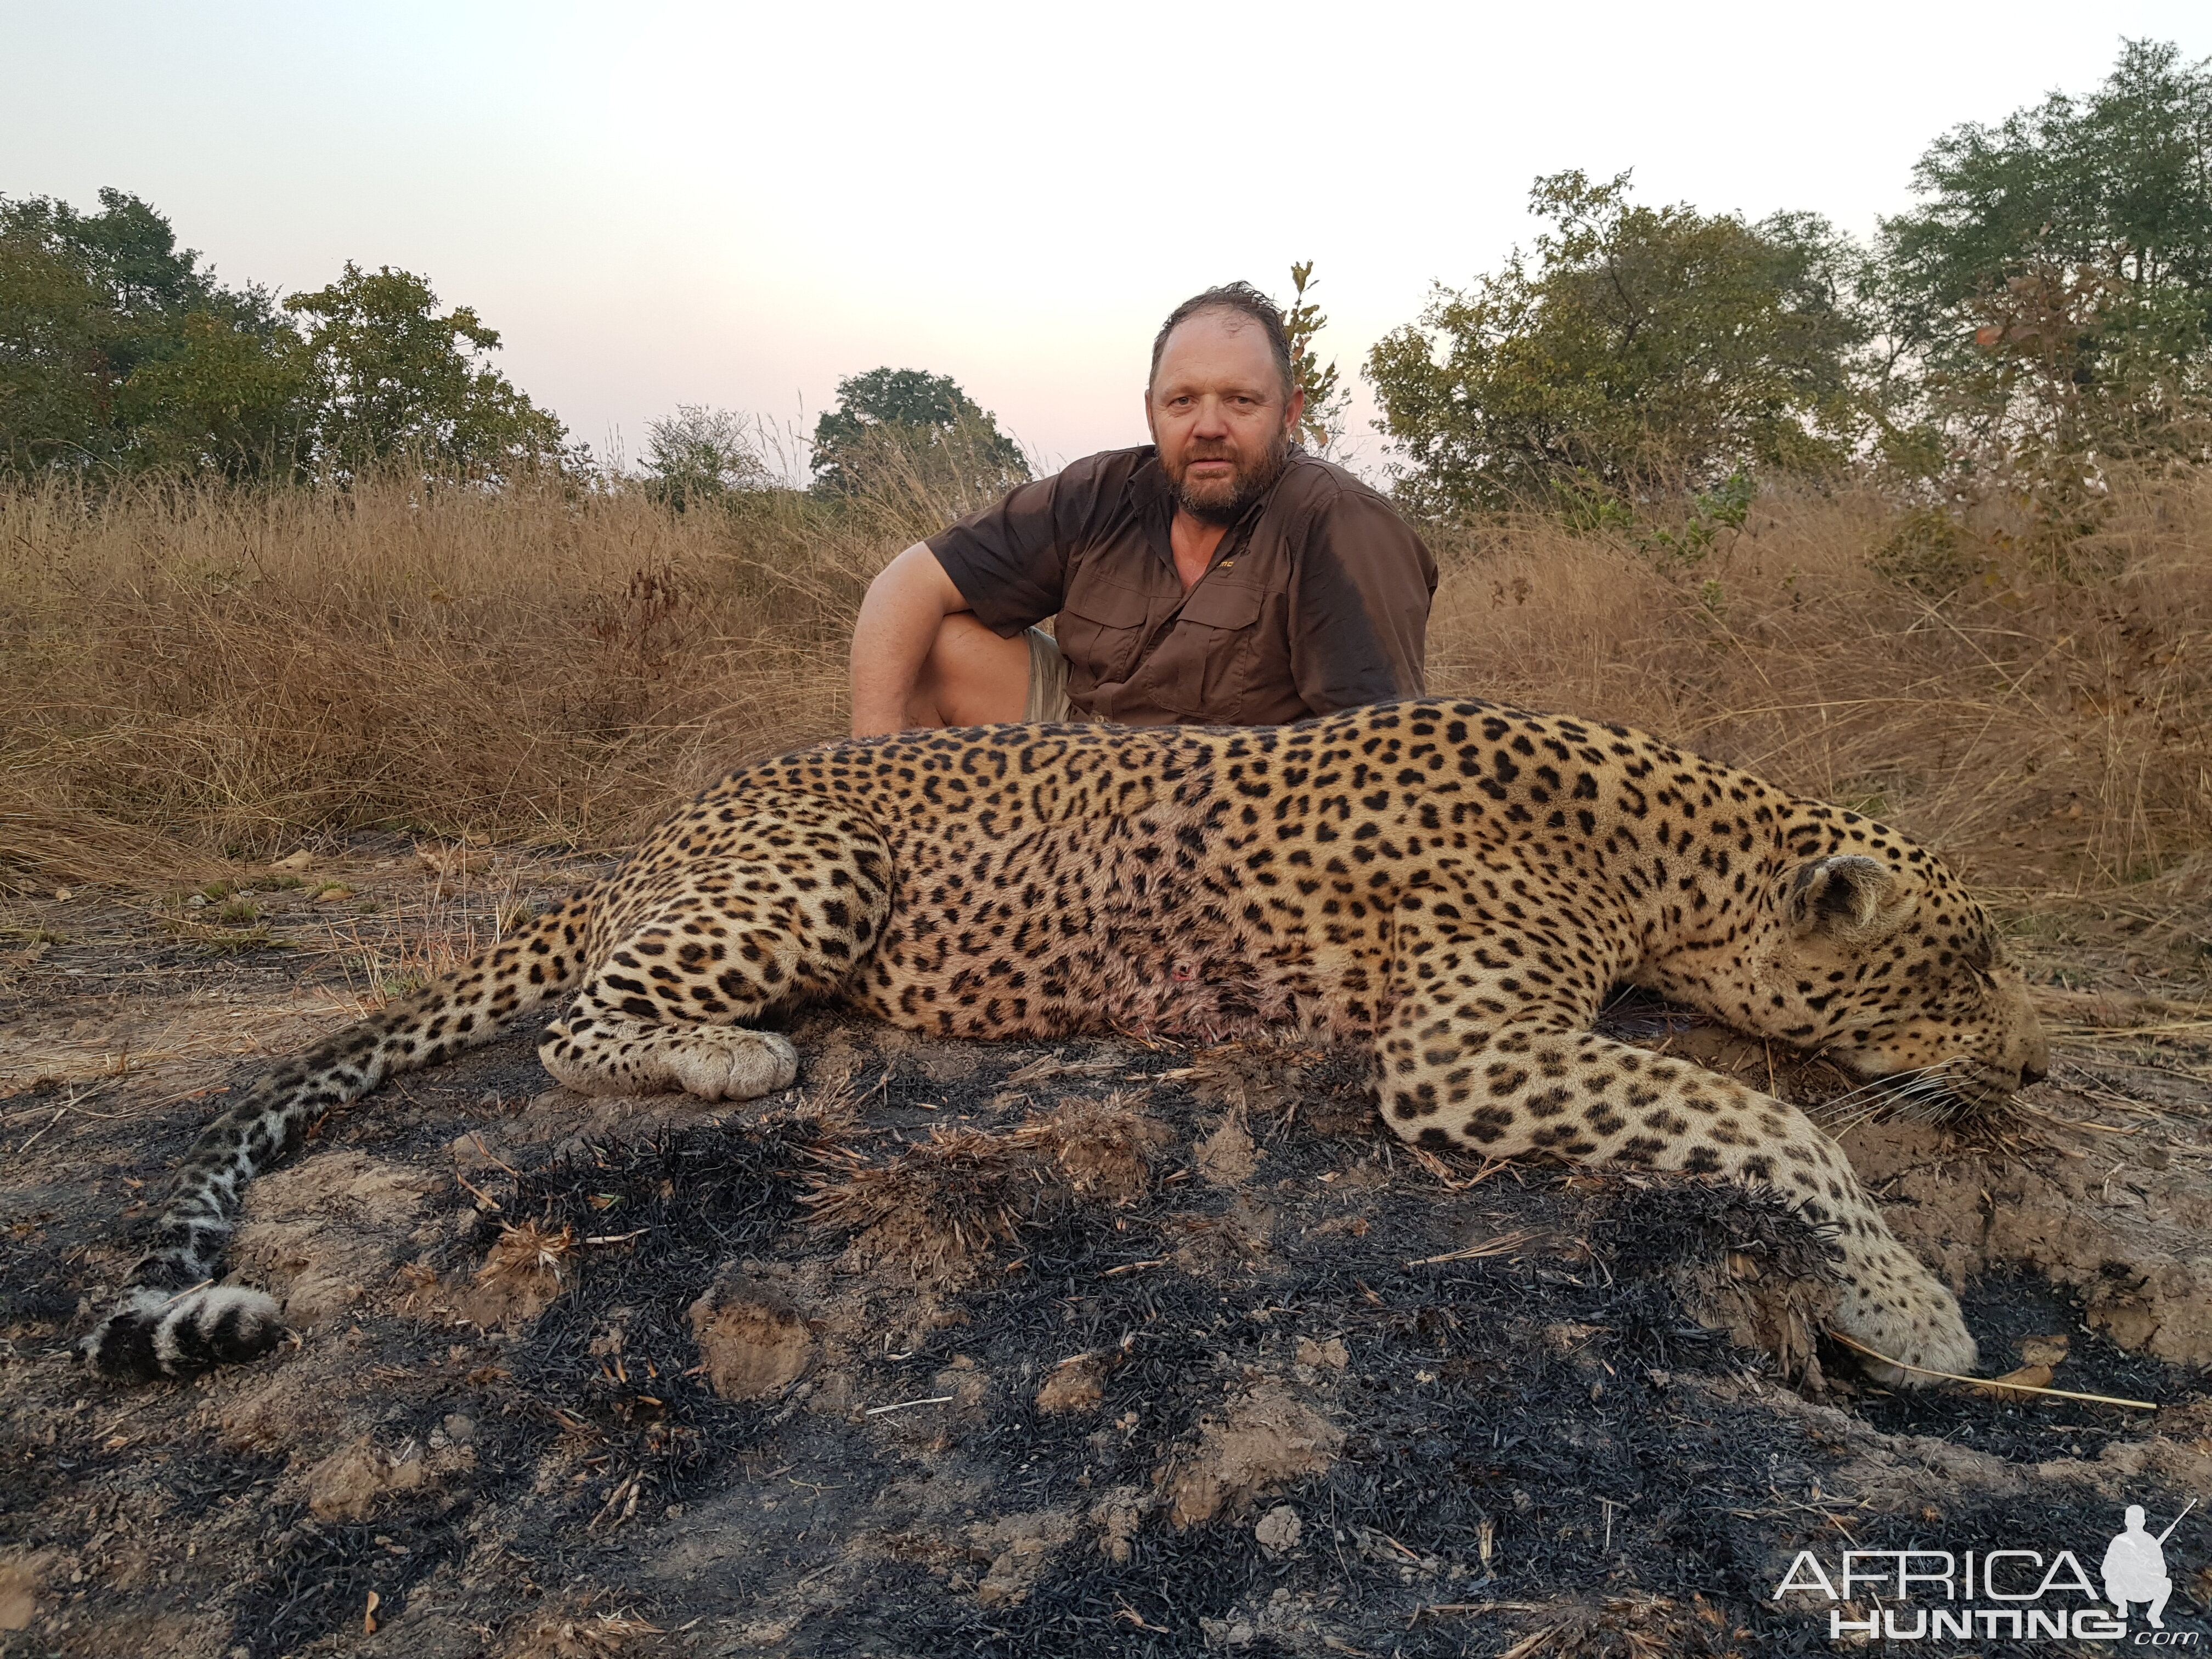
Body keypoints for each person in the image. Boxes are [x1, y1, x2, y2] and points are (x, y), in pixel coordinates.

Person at [848, 283, 1436, 735]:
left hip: (1235, 804)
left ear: (1289, 412)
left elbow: (1381, 751)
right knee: (937, 644)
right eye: (1183, 402)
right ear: (1153, 411)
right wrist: (867, 765)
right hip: (1085, 758)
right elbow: (909, 581)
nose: (1209, 427)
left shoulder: (1341, 522)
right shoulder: (1101, 490)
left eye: (1240, 400)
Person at [2102, 1504, 2175, 1628]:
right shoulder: (2119, 1541)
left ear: (2143, 1522)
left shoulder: (2151, 1542)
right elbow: (2106, 1569)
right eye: (2133, 1521)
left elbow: (2162, 1571)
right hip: (2124, 1588)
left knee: (2166, 1584)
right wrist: (2122, 1570)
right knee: (2110, 1582)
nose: (2135, 1524)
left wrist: (2147, 1567)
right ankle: (2122, 1606)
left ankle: (2154, 1615)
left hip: (2144, 1589)